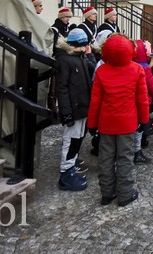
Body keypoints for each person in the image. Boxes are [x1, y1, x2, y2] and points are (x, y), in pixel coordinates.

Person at [86, 34, 150, 207]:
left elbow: (95, 100)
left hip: (106, 123)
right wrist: (144, 120)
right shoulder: (137, 69)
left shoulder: (101, 70)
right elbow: (142, 99)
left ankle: (107, 193)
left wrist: (91, 123)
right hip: (127, 123)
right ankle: (125, 193)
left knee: (105, 159)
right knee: (125, 158)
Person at [54, 28, 94, 191]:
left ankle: (70, 168)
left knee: (77, 139)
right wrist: (66, 112)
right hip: (73, 108)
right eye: (82, 45)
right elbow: (62, 88)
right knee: (70, 140)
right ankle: (65, 172)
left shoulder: (80, 57)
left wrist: (89, 54)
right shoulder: (65, 60)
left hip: (83, 107)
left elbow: (91, 70)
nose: (84, 48)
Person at [132, 39, 153, 164]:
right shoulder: (144, 67)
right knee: (141, 126)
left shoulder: (130, 64)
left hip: (130, 104)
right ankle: (137, 151)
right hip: (143, 102)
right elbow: (152, 86)